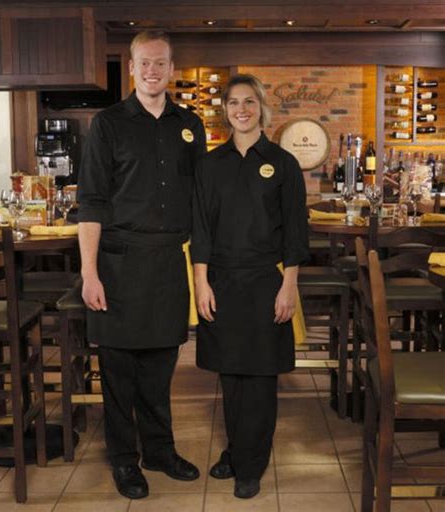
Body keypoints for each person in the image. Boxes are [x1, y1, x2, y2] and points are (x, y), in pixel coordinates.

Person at [77, 31, 206, 500]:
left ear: (173, 69)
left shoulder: (190, 125)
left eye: (161, 64)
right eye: (144, 63)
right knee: (118, 372)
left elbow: (201, 200)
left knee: (161, 366)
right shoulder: (107, 124)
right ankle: (125, 460)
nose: (153, 71)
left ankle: (160, 451)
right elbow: (90, 202)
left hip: (170, 261)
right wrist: (89, 273)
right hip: (118, 263)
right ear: (131, 68)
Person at [191, 74, 309, 499]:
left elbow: (296, 232)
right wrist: (201, 284)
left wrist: (288, 287)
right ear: (225, 110)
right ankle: (238, 451)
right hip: (221, 280)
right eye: (233, 102)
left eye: (249, 102)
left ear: (261, 107)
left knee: (260, 377)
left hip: (265, 281)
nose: (241, 109)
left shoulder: (283, 163)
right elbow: (200, 231)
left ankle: (251, 465)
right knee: (232, 374)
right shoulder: (210, 165)